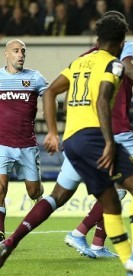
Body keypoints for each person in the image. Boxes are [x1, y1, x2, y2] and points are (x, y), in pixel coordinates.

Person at [0, 15, 133, 276]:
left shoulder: (79, 62)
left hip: (72, 140)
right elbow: (102, 101)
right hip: (94, 138)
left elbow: (50, 92)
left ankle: (10, 242)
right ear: (121, 41)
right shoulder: (114, 64)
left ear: (98, 38)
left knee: (76, 198)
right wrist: (109, 141)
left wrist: (53, 132)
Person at [59, 11, 133, 270]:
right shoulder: (126, 48)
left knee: (114, 190)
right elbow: (130, 68)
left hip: (87, 134)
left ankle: (87, 237)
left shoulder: (86, 57)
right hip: (117, 132)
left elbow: (68, 95)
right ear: (122, 36)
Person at [0, 39, 47, 242]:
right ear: (6, 54)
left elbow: (50, 94)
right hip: (2, 143)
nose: (21, 55)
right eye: (16, 51)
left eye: (23, 51)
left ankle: (40, 191)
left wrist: (48, 111)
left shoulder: (35, 78)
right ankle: (0, 232)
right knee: (0, 187)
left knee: (33, 191)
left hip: (27, 145)